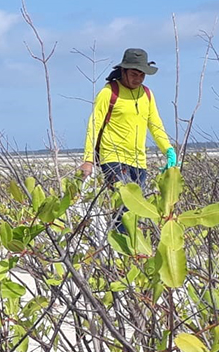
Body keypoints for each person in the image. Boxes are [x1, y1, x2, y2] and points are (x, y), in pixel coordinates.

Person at [79, 48, 178, 233]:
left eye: (142, 75)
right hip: (112, 158)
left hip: (139, 162)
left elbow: (155, 125)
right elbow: (94, 125)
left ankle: (125, 252)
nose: (138, 78)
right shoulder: (109, 92)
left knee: (136, 210)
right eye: (134, 74)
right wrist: (88, 159)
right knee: (125, 205)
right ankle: (125, 253)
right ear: (123, 71)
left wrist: (169, 151)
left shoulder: (147, 94)